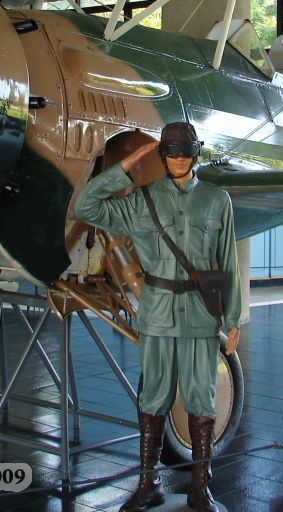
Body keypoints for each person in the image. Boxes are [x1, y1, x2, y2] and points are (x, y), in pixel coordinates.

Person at [74, 121, 241, 512]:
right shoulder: (141, 201)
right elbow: (86, 206)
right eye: (172, 151)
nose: (179, 158)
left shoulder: (217, 200)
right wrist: (128, 163)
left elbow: (228, 263)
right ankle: (148, 484)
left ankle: (201, 488)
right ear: (162, 156)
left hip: (200, 315)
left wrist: (231, 319)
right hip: (158, 314)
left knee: (201, 400)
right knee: (153, 398)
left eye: (186, 151)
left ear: (196, 153)